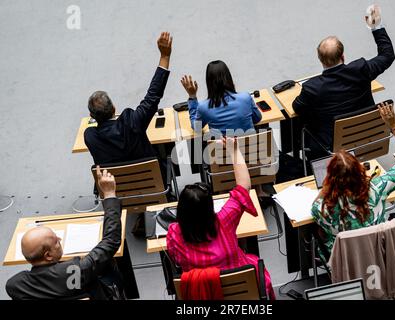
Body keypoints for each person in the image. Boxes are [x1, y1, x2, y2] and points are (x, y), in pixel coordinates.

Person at [166, 137, 275, 300]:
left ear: (181, 211)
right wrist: (234, 151)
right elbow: (244, 187)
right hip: (243, 292)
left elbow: (176, 260)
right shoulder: (225, 220)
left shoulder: (174, 233)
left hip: (200, 295)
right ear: (210, 207)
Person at [311, 101, 395, 255]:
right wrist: (394, 125)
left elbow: (316, 205)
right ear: (360, 171)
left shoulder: (322, 209)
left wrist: (327, 185)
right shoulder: (378, 188)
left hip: (345, 264)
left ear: (330, 179)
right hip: (379, 254)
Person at [293, 4, 395, 161]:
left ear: (320, 60)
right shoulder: (361, 69)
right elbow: (387, 55)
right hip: (369, 138)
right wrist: (376, 27)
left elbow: (297, 108)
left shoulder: (312, 88)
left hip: (333, 149)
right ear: (343, 56)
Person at [6, 168, 123, 300]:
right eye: (56, 241)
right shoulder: (73, 272)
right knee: (107, 265)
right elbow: (111, 241)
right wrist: (109, 194)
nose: (60, 239)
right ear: (48, 255)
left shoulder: (15, 286)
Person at [84, 32, 172, 165]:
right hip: (151, 182)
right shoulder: (132, 122)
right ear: (114, 108)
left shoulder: (90, 136)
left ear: (92, 116)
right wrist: (165, 56)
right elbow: (153, 96)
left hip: (115, 186)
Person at [181, 60, 262, 136]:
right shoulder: (246, 97)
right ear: (229, 77)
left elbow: (197, 128)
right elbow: (257, 118)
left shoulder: (204, 107)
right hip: (251, 149)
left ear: (209, 83)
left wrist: (192, 96)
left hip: (223, 150)